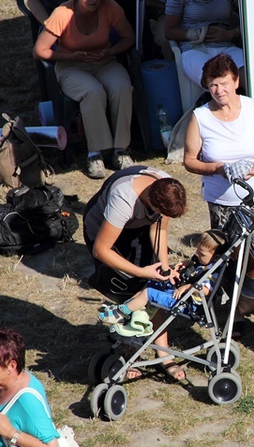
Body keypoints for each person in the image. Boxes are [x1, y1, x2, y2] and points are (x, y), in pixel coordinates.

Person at [183, 53, 254, 333]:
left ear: (236, 81)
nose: (219, 90)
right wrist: (217, 168)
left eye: (223, 83)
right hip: (222, 201)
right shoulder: (200, 117)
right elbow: (189, 160)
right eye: (212, 85)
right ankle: (237, 311)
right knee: (230, 253)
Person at [83, 166, 189, 380]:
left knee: (157, 290)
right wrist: (141, 272)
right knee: (129, 293)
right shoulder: (124, 198)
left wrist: (164, 267)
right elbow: (101, 249)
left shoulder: (166, 185)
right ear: (153, 203)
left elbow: (159, 229)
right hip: (106, 234)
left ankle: (164, 356)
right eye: (162, 212)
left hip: (137, 226)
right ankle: (131, 355)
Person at [33, 0, 136, 179]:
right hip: (71, 67)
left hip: (103, 62)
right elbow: (39, 50)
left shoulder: (111, 8)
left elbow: (128, 37)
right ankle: (95, 153)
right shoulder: (62, 13)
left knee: (122, 87)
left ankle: (121, 150)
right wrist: (70, 56)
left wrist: (110, 52)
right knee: (93, 91)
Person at [98, 229, 227, 325]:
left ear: (216, 257)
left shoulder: (213, 273)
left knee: (149, 293)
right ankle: (126, 307)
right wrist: (190, 263)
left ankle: (122, 313)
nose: (197, 255)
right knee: (152, 282)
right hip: (180, 295)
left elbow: (207, 291)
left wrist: (187, 288)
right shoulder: (206, 262)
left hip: (187, 304)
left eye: (201, 254)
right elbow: (199, 264)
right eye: (197, 250)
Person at [164, 0, 245, 92]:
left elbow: (251, 17)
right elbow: (169, 32)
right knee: (215, 79)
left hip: (226, 46)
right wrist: (197, 34)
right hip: (194, 48)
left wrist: (231, 33)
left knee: (251, 72)